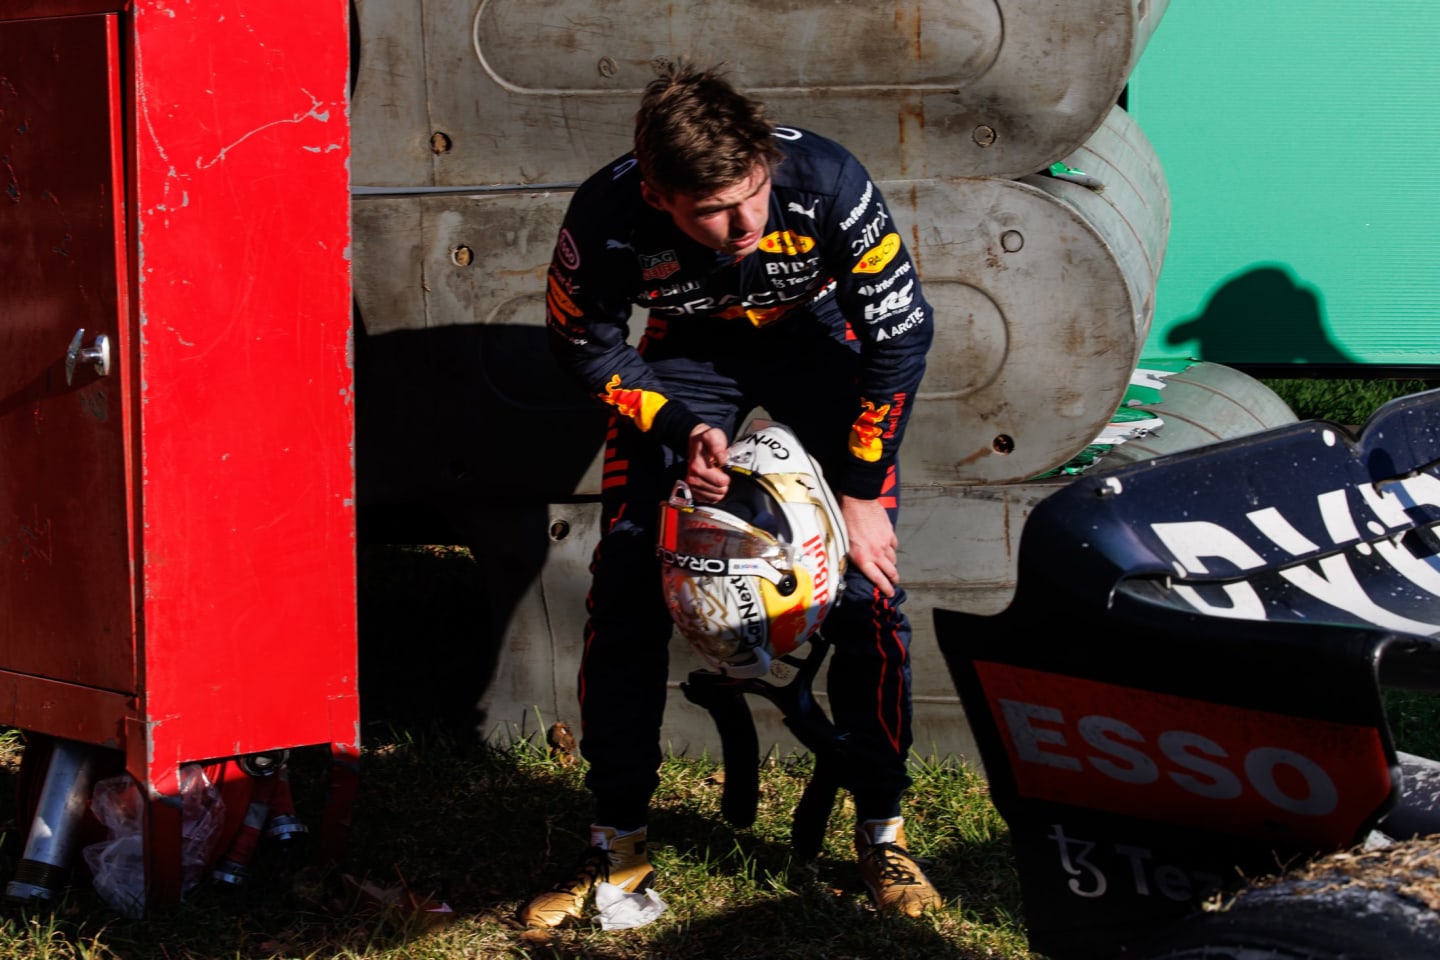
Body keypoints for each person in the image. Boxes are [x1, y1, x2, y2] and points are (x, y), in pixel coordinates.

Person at [520, 59, 939, 926]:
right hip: (686, 355)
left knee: (868, 591)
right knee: (629, 580)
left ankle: (883, 829)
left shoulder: (826, 178)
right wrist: (676, 428)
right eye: (710, 211)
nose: (741, 222)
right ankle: (617, 842)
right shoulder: (605, 214)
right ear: (659, 195)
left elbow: (900, 335)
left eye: (750, 195)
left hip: (819, 343)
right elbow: (582, 347)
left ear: (764, 162)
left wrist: (859, 493)